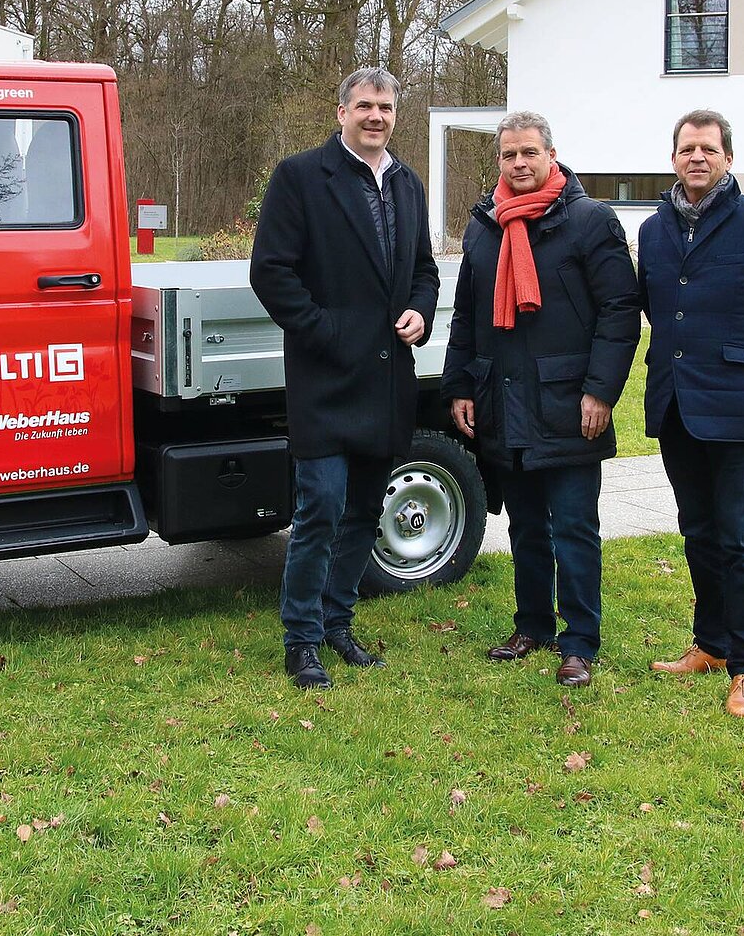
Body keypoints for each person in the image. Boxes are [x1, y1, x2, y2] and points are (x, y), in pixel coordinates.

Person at [250, 66, 440, 691]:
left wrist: (421, 308)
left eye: (385, 107)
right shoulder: (301, 177)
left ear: (395, 116)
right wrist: (326, 333)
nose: (376, 116)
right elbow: (272, 273)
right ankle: (300, 640)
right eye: (364, 106)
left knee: (363, 510)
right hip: (326, 379)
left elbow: (423, 270)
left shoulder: (409, 185)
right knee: (322, 509)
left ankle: (337, 624)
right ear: (342, 112)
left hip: (387, 381)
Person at [443, 112, 638, 687]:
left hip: (569, 403)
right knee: (526, 525)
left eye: (529, 152)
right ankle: (532, 624)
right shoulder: (484, 225)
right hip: (502, 400)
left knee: (574, 527)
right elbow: (469, 317)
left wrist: (601, 391)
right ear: (498, 160)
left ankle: (579, 640)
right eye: (509, 155)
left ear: (551, 154)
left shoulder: (590, 222)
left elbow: (620, 312)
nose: (519, 164)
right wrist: (458, 385)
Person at [638, 109, 744, 718]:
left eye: (708, 149)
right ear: (674, 158)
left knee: (739, 538)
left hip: (738, 409)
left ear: (728, 158)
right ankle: (709, 644)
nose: (697, 158)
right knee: (698, 533)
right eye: (687, 148)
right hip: (677, 406)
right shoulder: (655, 230)